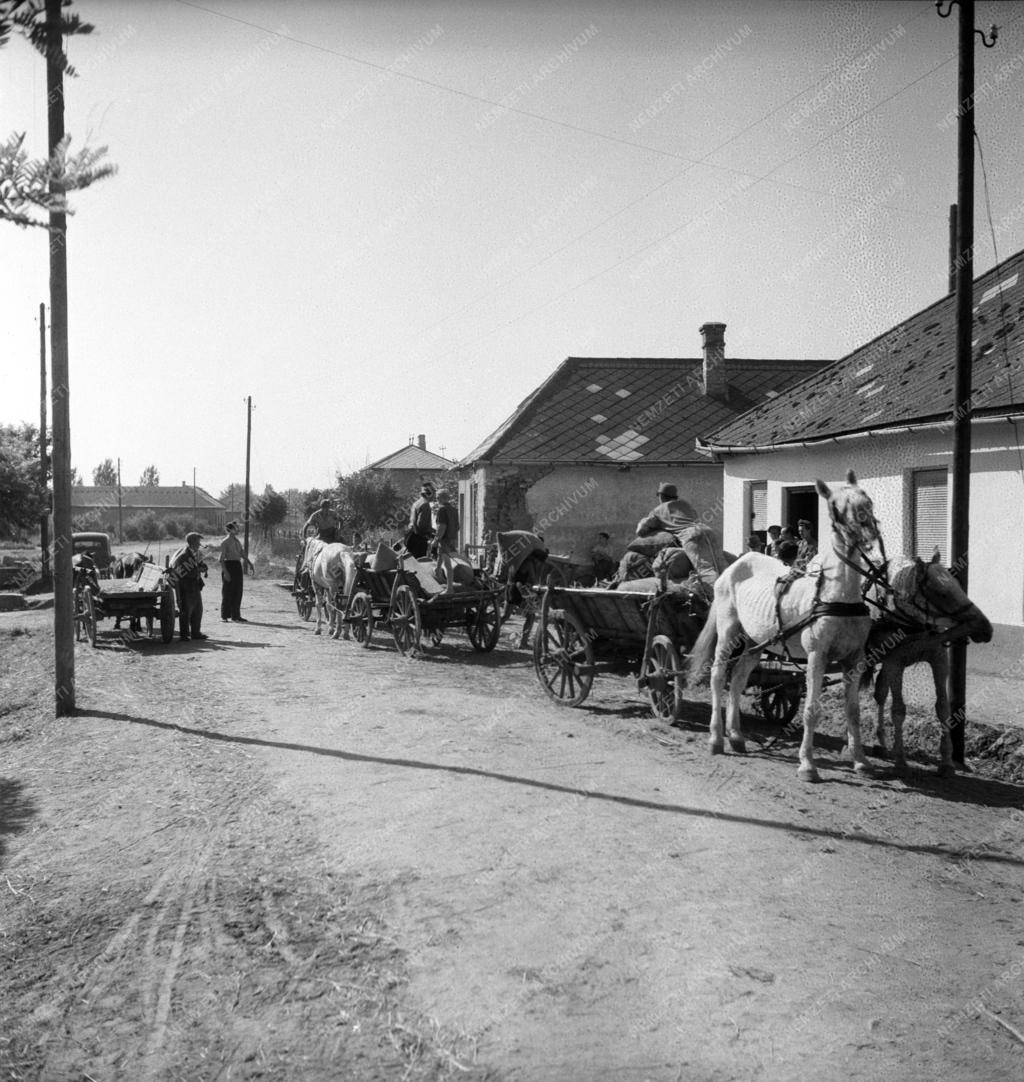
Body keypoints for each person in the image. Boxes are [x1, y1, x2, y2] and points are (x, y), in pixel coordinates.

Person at [168, 531, 208, 641]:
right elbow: (183, 571)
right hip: (186, 586)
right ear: (193, 542)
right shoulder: (184, 555)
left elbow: (198, 564)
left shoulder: (194, 552)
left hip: (194, 585)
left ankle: (195, 633)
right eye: (198, 542)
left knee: (197, 610)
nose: (199, 544)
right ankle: (184, 635)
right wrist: (198, 570)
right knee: (186, 610)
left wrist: (203, 567)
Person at [219, 521, 253, 622]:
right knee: (227, 592)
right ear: (230, 529)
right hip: (229, 565)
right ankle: (225, 616)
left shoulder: (237, 541)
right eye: (235, 528)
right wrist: (226, 572)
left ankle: (236, 615)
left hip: (237, 565)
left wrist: (250, 563)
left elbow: (242, 554)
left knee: (238, 591)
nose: (237, 529)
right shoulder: (225, 542)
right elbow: (221, 559)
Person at [432, 488, 460, 594]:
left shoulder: (442, 510)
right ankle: (438, 573)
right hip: (452, 539)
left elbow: (441, 527)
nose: (437, 500)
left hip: (444, 540)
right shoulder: (454, 510)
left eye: (437, 498)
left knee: (448, 565)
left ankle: (449, 589)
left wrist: (436, 539)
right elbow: (457, 526)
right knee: (441, 556)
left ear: (440, 498)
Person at [406, 481, 436, 558]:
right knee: (420, 564)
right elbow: (422, 525)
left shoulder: (416, 503)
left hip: (411, 537)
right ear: (429, 494)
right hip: (419, 540)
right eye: (433, 493)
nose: (434, 496)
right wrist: (432, 532)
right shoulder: (425, 505)